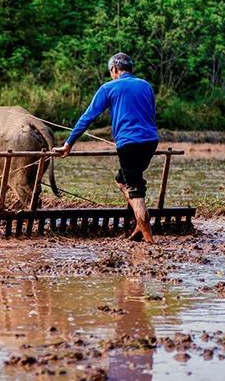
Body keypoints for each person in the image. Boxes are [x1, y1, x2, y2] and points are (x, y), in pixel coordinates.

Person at [53, 52, 158, 243]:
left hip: (129, 144)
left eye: (111, 71)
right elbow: (151, 113)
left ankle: (150, 240)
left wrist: (68, 144)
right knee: (122, 180)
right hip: (150, 141)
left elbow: (87, 117)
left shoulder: (108, 87)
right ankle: (138, 226)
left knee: (136, 192)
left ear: (114, 69)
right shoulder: (146, 86)